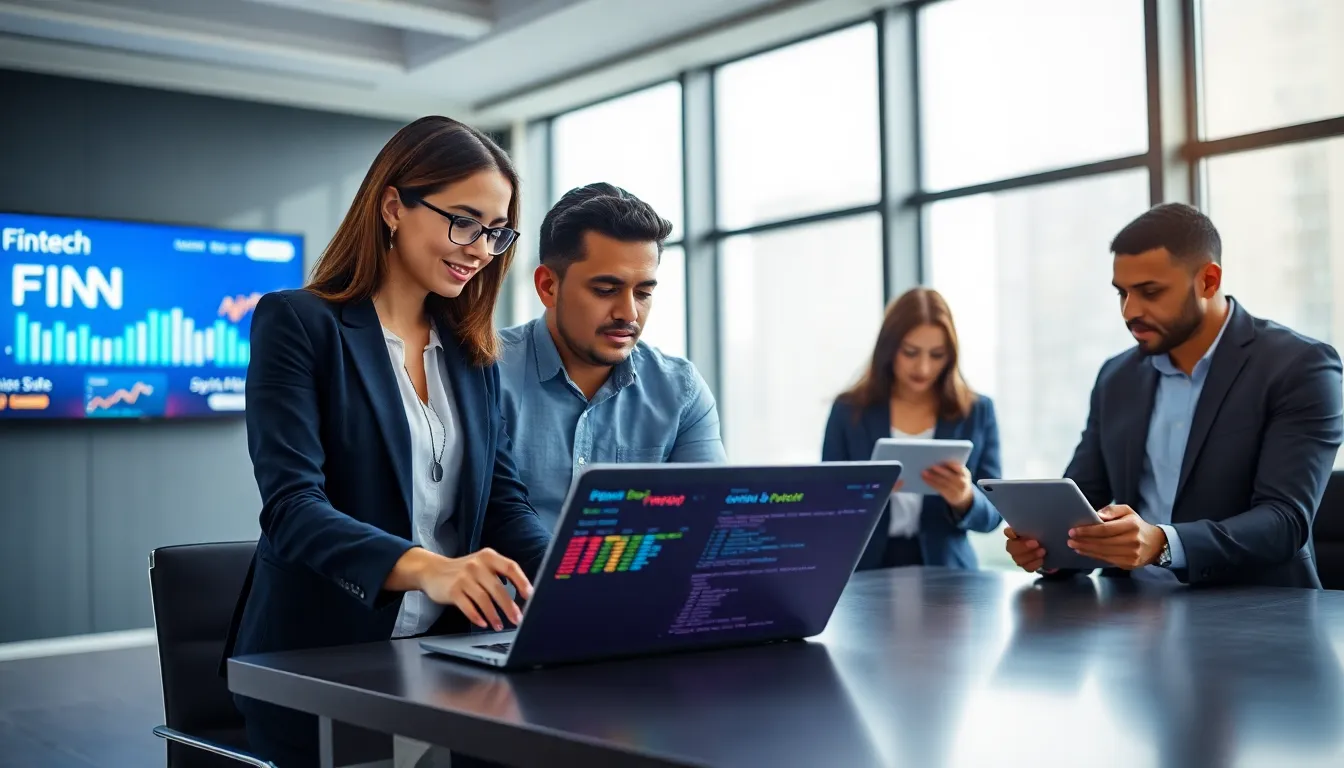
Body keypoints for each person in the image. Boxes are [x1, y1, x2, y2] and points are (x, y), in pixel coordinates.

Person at [223, 116, 550, 767]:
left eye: (496, 230)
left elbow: (501, 504)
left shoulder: (472, 353)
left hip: (447, 659)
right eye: (464, 222)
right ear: (394, 206)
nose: (481, 249)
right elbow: (293, 508)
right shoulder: (299, 322)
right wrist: (432, 569)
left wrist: (574, 581)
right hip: (321, 661)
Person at [1005, 202, 1343, 587]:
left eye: (1150, 292)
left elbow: (1285, 521)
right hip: (1130, 608)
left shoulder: (1299, 367)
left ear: (1208, 281)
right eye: (1122, 293)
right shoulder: (1117, 377)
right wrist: (1047, 549)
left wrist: (1163, 545)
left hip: (1254, 609)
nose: (1130, 311)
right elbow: (1083, 502)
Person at [497, 182, 726, 530]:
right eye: (606, 290)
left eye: (643, 293)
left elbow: (708, 522)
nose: (629, 313)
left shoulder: (681, 391)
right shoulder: (487, 373)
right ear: (548, 286)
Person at [822, 287, 1002, 570]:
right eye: (910, 352)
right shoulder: (849, 411)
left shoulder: (977, 411)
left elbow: (993, 514)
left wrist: (964, 497)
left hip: (949, 573)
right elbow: (825, 503)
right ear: (889, 348)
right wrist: (864, 496)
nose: (923, 367)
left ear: (951, 356)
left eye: (937, 355)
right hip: (866, 570)